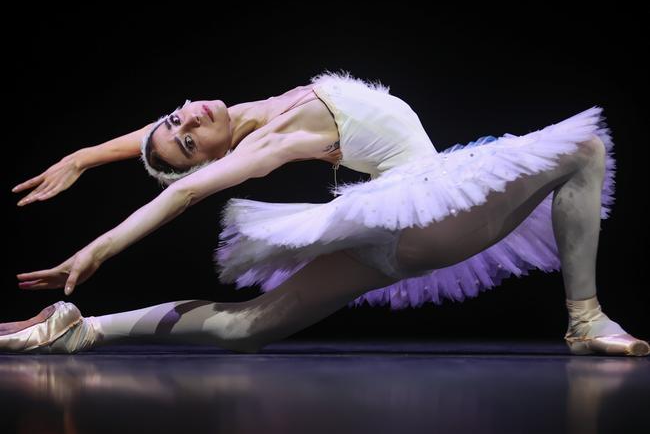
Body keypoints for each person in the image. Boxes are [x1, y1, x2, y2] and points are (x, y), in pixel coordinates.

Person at [2, 70, 648, 356]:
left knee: (245, 330)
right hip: (425, 215)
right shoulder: (267, 142)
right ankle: (585, 321)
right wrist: (97, 250)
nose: (190, 117)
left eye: (180, 119)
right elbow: (182, 189)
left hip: (398, 225)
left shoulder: (251, 112)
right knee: (583, 147)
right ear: (212, 157)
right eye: (192, 138)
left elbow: (165, 145)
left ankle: (80, 330)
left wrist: (87, 155)